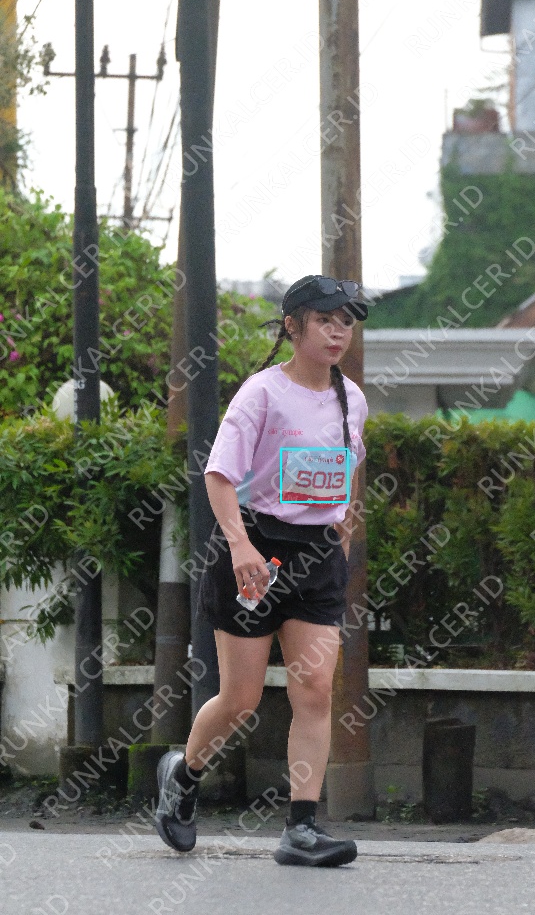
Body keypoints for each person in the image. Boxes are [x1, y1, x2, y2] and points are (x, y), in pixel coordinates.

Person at [155, 275, 369, 867]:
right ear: (293, 327)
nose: (338, 332)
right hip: (255, 549)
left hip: (317, 556)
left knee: (316, 690)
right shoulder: (261, 394)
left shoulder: (351, 398)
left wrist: (342, 537)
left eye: (346, 322)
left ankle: (302, 828)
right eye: (325, 320)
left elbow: (348, 472)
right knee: (240, 699)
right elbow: (219, 475)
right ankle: (183, 774)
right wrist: (241, 547)